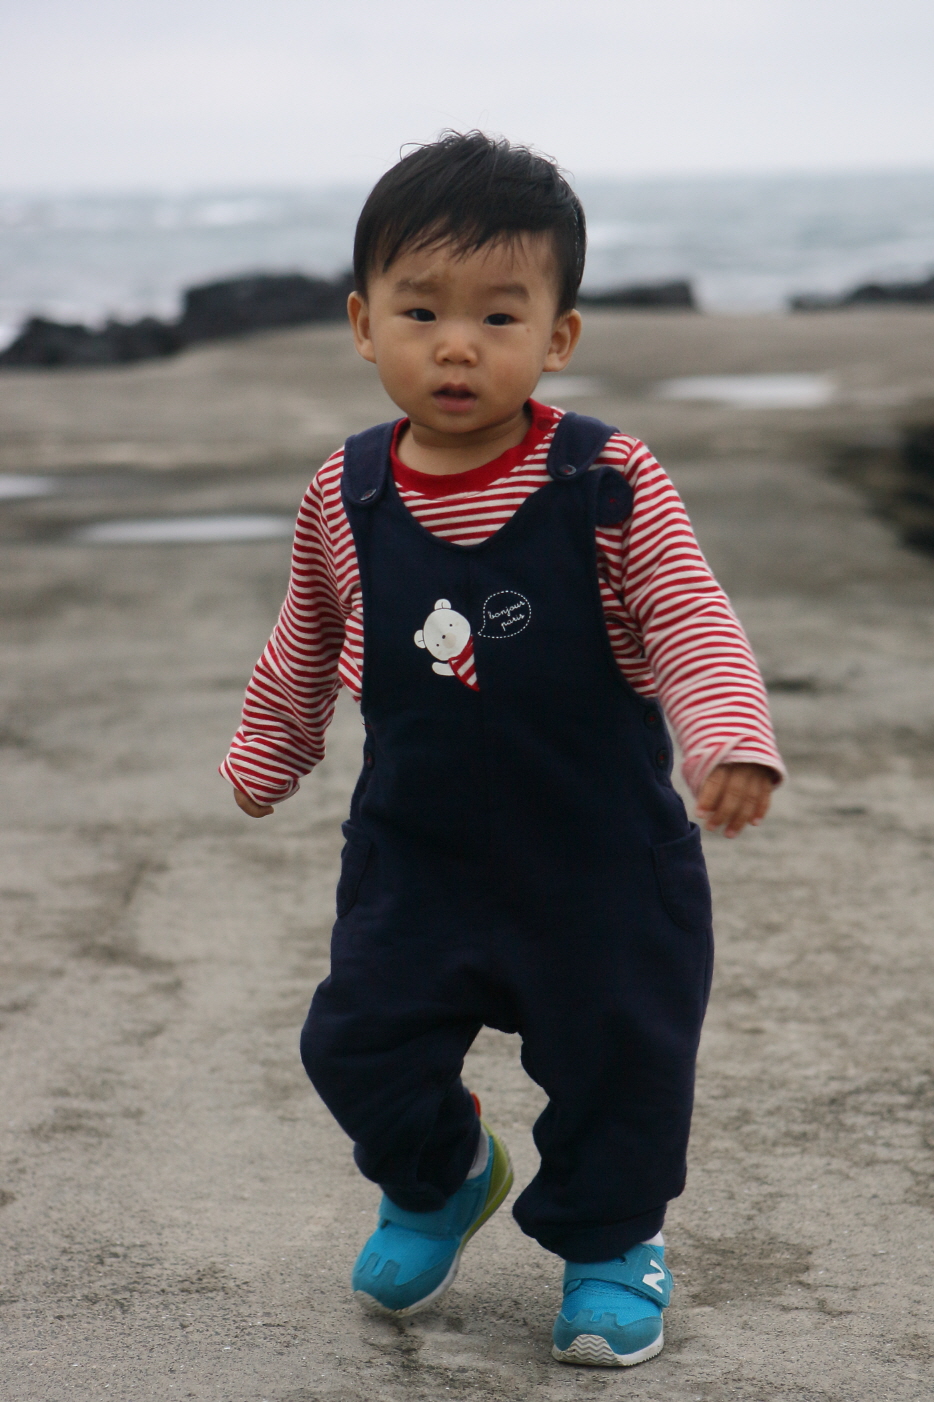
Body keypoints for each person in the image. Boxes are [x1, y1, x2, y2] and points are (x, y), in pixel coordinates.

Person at [222, 131, 784, 1369]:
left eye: (497, 315)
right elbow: (308, 629)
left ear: (558, 336)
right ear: (364, 324)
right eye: (421, 311)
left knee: (620, 1064)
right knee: (354, 1040)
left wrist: (725, 739)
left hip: (598, 865)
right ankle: (440, 1178)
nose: (456, 345)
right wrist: (272, 741)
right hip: (415, 856)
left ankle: (611, 1247)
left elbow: (689, 617)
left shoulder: (606, 479)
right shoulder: (347, 492)